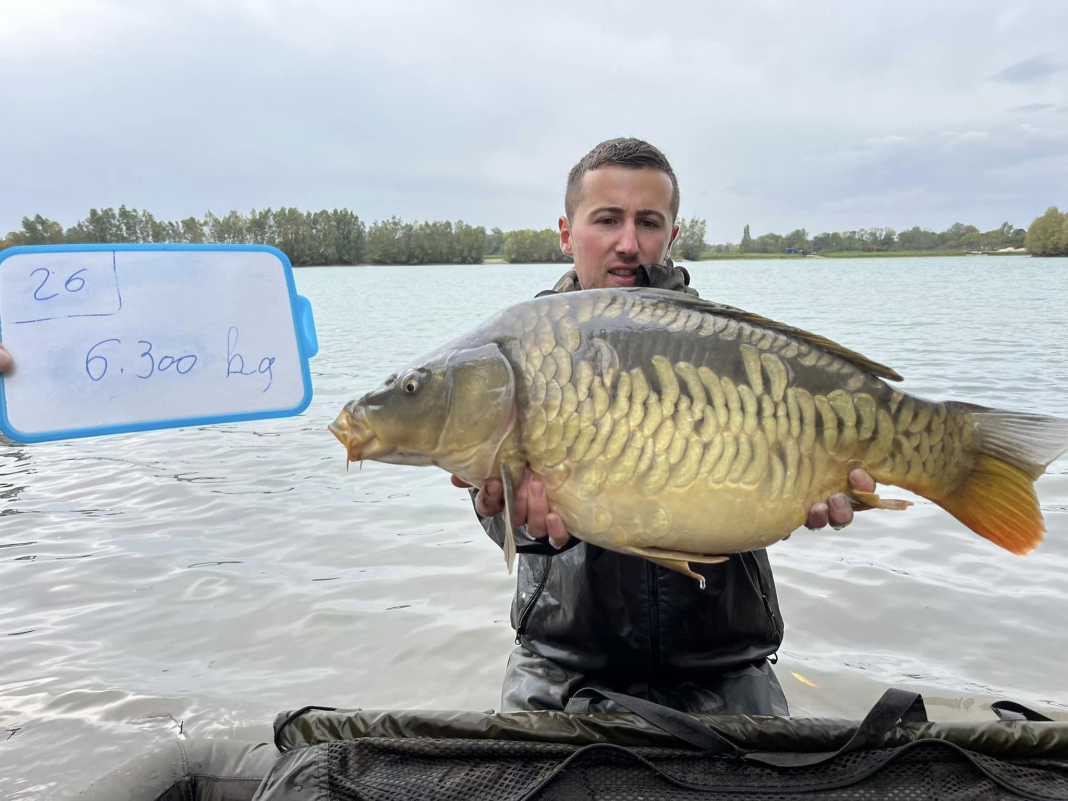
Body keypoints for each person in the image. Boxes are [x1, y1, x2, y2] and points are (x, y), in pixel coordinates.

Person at [452, 137, 875, 716]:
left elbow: (781, 480)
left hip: (725, 664)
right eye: (607, 220)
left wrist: (818, 484)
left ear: (671, 235)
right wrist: (507, 515)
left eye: (648, 222)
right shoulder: (523, 353)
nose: (628, 243)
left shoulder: (728, 349)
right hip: (562, 665)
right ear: (567, 233)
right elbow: (503, 522)